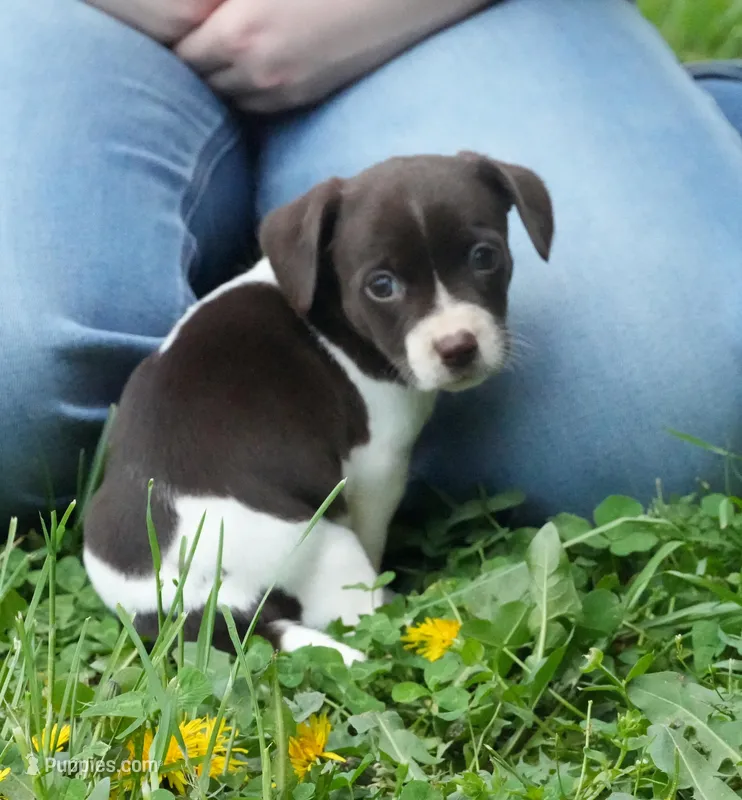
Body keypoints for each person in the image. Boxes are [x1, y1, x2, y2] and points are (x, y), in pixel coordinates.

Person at [2, 0, 741, 530]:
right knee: (19, 389)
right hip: (93, 20)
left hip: (448, 16)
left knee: (668, 413)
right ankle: (299, 263)